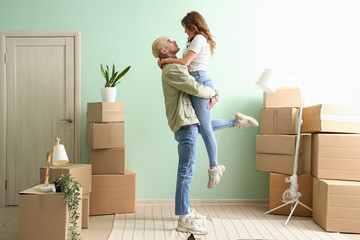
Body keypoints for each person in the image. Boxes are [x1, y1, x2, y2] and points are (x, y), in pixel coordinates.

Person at [152, 36, 257, 235]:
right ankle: (183, 218)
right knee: (186, 171)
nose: (174, 40)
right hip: (185, 123)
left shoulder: (171, 66)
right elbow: (195, 88)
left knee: (204, 130)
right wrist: (214, 92)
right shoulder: (172, 69)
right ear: (164, 51)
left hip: (188, 120)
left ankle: (237, 122)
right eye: (169, 40)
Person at [158, 11, 258, 189]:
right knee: (201, 126)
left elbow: (186, 62)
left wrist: (166, 62)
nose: (185, 32)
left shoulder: (199, 39)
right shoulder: (194, 40)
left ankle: (214, 167)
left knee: (204, 129)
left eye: (186, 28)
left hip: (200, 81)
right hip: (196, 81)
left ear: (193, 26)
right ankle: (237, 122)